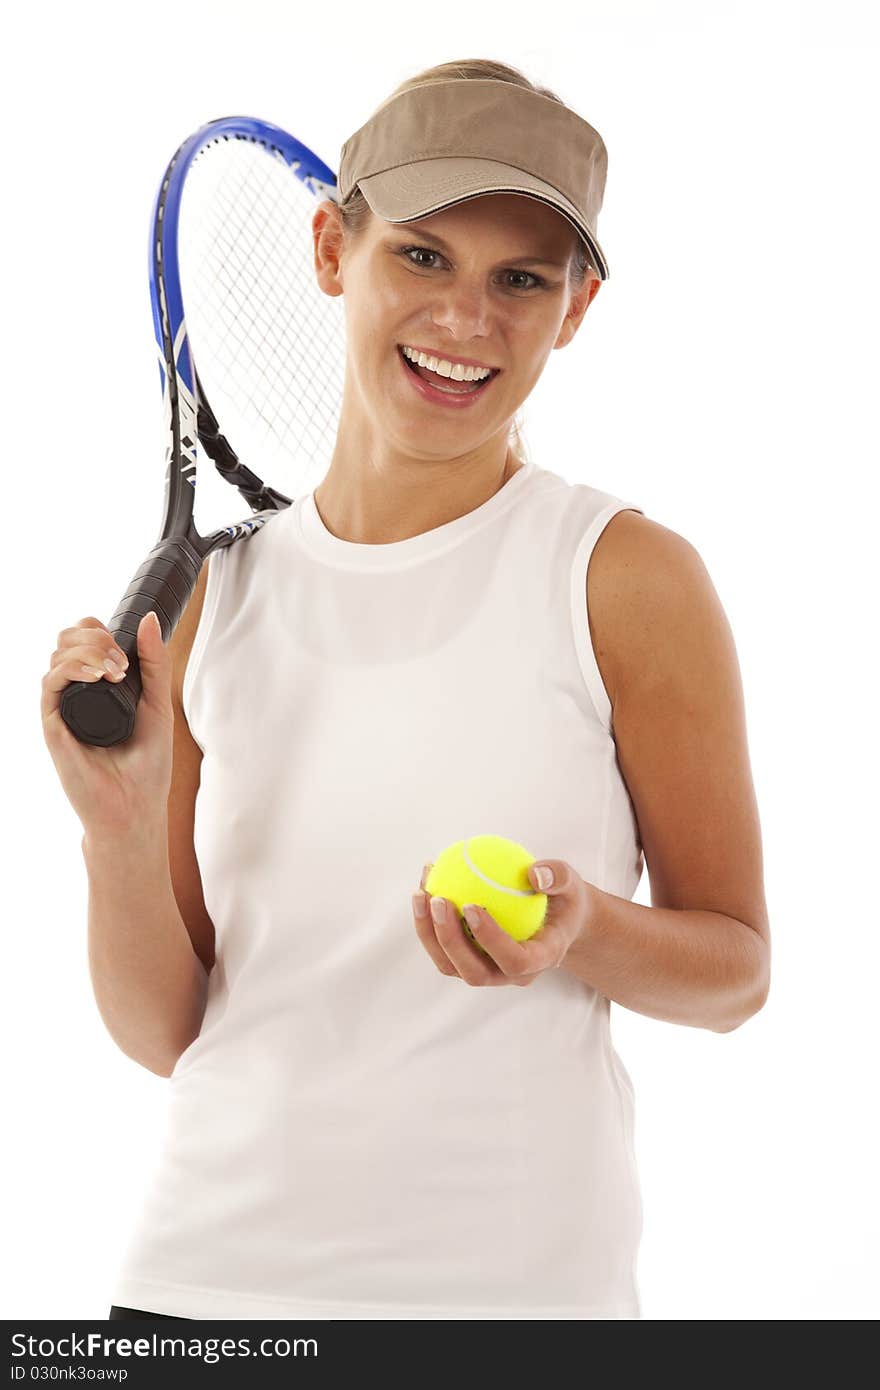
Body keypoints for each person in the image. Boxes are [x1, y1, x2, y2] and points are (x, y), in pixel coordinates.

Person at [41, 57, 770, 1321]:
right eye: (422, 258)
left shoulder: (623, 578)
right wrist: (115, 828)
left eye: (520, 280)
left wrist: (580, 930)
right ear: (334, 246)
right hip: (202, 1293)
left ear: (577, 306)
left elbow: (734, 971)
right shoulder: (218, 600)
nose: (465, 322)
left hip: (515, 1302)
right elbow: (169, 1032)